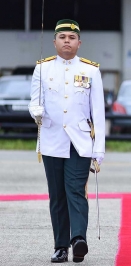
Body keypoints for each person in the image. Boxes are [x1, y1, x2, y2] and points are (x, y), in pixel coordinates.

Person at [28, 19, 105, 263]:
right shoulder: (42, 68)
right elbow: (34, 102)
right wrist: (36, 111)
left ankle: (78, 239)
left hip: (80, 142)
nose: (67, 42)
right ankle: (60, 246)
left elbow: (98, 113)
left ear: (79, 43)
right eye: (62, 38)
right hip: (52, 140)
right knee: (57, 195)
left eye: (72, 38)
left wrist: (99, 149)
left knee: (75, 190)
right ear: (54, 42)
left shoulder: (91, 70)